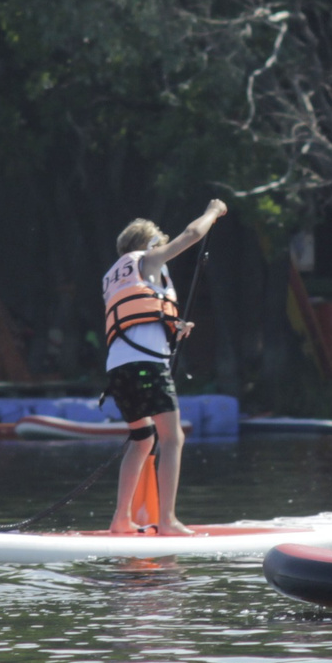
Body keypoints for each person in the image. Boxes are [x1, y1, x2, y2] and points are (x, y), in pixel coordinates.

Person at [100, 198, 227, 534]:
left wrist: (173, 325)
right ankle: (167, 520)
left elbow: (137, 317)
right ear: (149, 243)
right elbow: (190, 235)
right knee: (172, 439)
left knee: (142, 439)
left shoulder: (113, 276)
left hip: (118, 370)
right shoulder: (147, 258)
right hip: (146, 366)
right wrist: (212, 212)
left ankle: (120, 520)